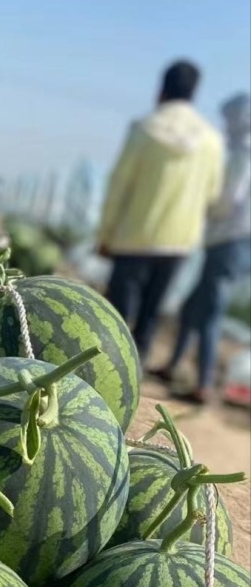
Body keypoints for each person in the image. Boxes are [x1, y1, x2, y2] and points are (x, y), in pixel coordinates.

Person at [97, 60, 224, 363]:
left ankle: (105, 372)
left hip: (133, 237)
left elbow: (119, 186)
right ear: (194, 92)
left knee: (116, 317)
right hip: (178, 242)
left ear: (161, 90)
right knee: (150, 315)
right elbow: (213, 195)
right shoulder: (211, 141)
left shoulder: (144, 130)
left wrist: (105, 233)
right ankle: (134, 374)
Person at [150, 93, 251, 404]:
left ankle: (205, 385)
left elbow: (228, 200)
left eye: (230, 119)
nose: (226, 125)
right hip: (228, 242)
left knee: (210, 312)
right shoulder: (238, 151)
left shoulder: (244, 153)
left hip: (230, 242)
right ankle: (173, 365)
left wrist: (200, 205)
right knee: (192, 307)